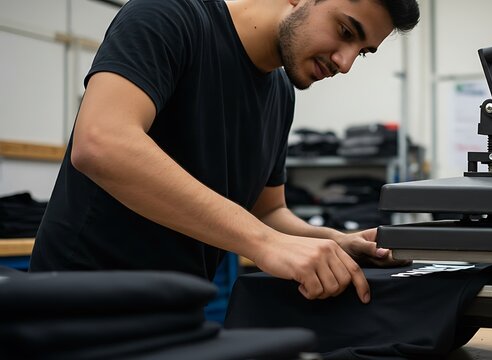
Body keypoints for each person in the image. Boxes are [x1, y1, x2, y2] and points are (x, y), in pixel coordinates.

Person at [29, 0, 420, 305]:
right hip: (78, 304)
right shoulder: (169, 15)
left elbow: (266, 211)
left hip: (177, 308)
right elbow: (101, 142)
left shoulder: (280, 95)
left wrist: (335, 240)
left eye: (363, 51)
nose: (346, 62)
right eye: (345, 30)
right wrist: (265, 244)